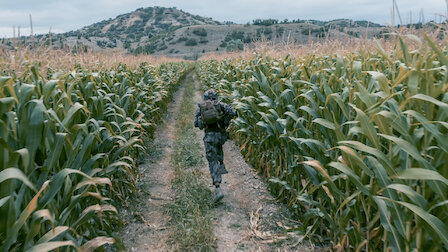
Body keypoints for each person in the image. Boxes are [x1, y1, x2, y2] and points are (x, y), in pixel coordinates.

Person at [194, 89, 237, 203]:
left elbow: (197, 124)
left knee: (212, 160)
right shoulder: (221, 105)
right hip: (221, 137)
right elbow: (234, 113)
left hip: (209, 138)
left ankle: (218, 188)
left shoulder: (201, 107)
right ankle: (221, 164)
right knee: (218, 151)